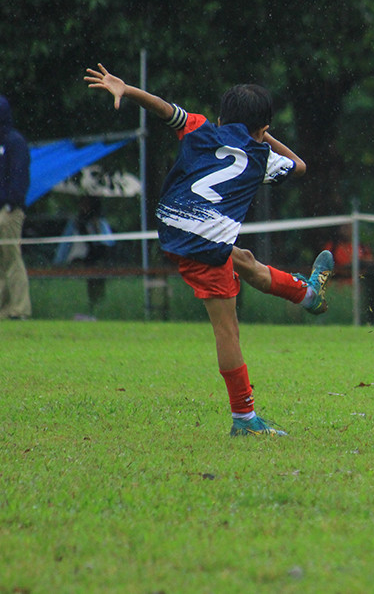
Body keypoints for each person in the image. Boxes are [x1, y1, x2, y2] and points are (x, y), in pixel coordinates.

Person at [85, 63, 334, 436]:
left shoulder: (200, 128)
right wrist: (264, 139)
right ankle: (245, 420)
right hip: (204, 244)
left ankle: (307, 294)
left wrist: (127, 89)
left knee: (246, 261)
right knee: (227, 331)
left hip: (173, 227)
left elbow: (162, 107)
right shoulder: (261, 156)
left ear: (220, 117)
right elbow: (299, 166)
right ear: (262, 130)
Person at [53, 195, 116, 318]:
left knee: (96, 285)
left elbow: (109, 242)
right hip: (78, 261)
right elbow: (65, 243)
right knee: (81, 288)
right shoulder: (75, 222)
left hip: (97, 260)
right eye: (82, 204)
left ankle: (97, 309)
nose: (83, 207)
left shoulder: (99, 222)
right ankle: (81, 310)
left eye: (87, 204)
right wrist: (58, 261)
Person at [0, 94, 32, 320]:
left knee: (12, 258)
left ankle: (19, 308)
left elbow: (19, 176)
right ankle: (4, 307)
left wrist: (11, 203)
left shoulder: (14, 141)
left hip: (9, 210)